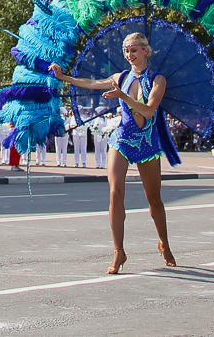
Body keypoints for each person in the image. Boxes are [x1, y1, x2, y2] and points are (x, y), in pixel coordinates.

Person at [50, 32, 176, 274]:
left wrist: (122, 96)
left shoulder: (157, 80)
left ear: (145, 51)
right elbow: (92, 83)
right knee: (115, 193)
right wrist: (64, 77)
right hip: (122, 139)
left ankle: (164, 243)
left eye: (134, 50)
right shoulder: (121, 77)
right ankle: (119, 252)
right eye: (126, 51)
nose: (130, 55)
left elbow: (148, 111)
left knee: (154, 200)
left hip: (147, 142)